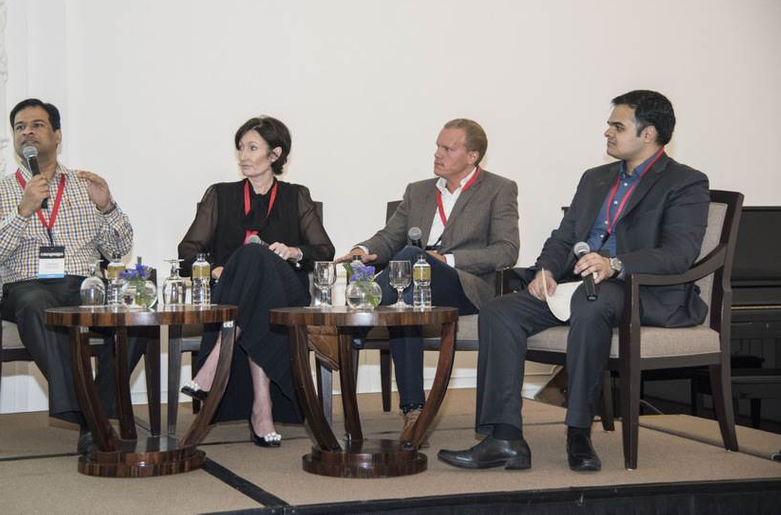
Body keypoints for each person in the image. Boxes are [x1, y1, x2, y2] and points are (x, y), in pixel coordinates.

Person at [438, 90, 710, 472]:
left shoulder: (685, 183)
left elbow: (678, 253)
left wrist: (614, 263)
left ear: (648, 134)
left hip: (638, 290)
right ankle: (504, 437)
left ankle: (578, 431)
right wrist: (546, 270)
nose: (607, 133)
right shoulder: (595, 179)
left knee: (591, 304)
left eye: (618, 126)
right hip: (575, 284)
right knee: (500, 312)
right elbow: (563, 237)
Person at [0, 98, 137, 453]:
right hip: (26, 289)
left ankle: (94, 417)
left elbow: (118, 246)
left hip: (84, 285)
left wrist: (107, 206)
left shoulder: (82, 184)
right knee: (36, 304)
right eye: (19, 127)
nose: (27, 131)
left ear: (57, 135)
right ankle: (95, 421)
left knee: (136, 314)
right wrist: (22, 211)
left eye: (37, 124)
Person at [336, 118, 519, 435]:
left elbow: (506, 251)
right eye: (437, 146)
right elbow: (389, 237)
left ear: (472, 156)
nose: (438, 154)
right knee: (406, 298)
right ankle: (413, 410)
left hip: (463, 285)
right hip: (411, 286)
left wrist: (444, 259)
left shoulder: (499, 189)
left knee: (410, 257)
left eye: (448, 148)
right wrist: (361, 249)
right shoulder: (418, 191)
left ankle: (354, 325)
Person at [178, 115, 334, 447]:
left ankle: (216, 360)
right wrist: (221, 271)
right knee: (251, 257)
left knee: (255, 255)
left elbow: (325, 251)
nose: (243, 156)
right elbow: (187, 250)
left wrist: (293, 251)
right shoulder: (220, 195)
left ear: (274, 155)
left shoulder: (296, 196)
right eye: (240, 148)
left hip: (287, 292)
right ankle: (262, 406)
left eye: (252, 148)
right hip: (233, 292)